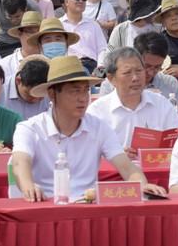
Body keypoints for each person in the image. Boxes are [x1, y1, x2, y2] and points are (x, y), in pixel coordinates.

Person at [9, 55, 163, 199]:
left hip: (88, 205)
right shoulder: (29, 128)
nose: (83, 98)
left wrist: (142, 184)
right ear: (52, 94)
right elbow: (19, 162)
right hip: (45, 204)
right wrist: (29, 186)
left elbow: (126, 166)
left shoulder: (99, 127)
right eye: (75, 91)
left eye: (86, 91)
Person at [88, 46, 178, 146]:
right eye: (127, 73)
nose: (135, 78)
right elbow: (89, 153)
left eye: (139, 71)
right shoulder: (97, 112)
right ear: (111, 78)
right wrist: (115, 155)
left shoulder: (162, 104)